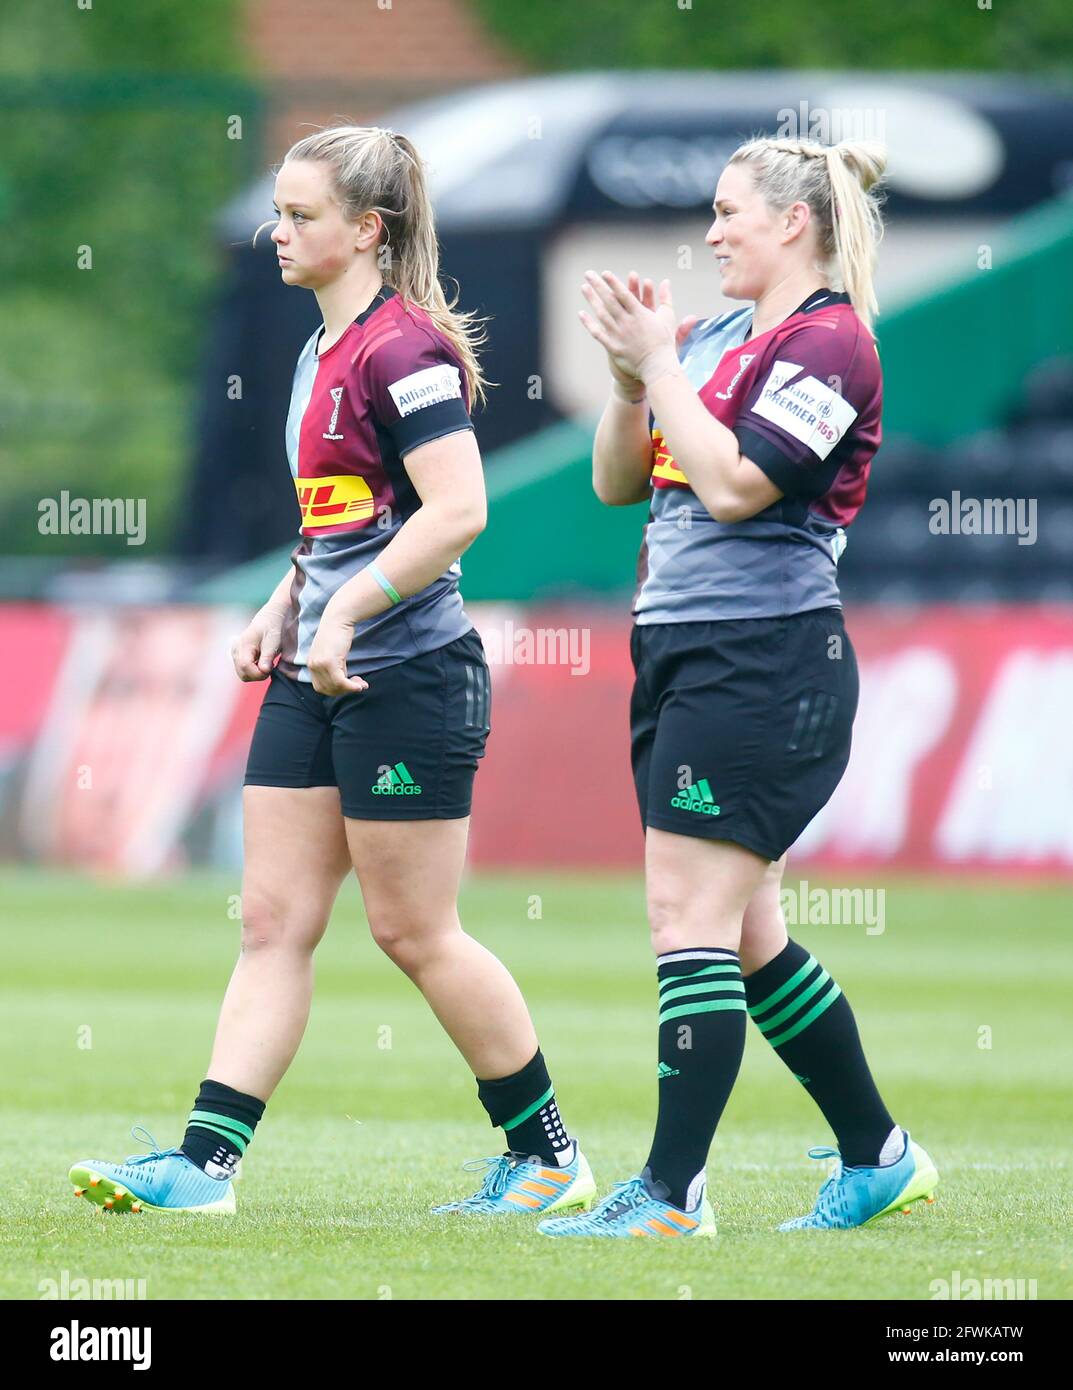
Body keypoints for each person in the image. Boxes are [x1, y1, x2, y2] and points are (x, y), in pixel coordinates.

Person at [68, 125, 594, 1221]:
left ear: (368, 229)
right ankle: (204, 1168)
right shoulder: (319, 345)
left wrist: (345, 608)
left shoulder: (402, 354)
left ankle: (548, 1154)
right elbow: (340, 522)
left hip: (405, 672)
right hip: (317, 665)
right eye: (277, 209)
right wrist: (282, 605)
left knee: (413, 931)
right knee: (271, 918)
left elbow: (458, 512)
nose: (277, 231)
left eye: (301, 214)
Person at [540, 136, 938, 1238]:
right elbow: (620, 480)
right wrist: (632, 376)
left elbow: (729, 487)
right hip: (682, 651)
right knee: (745, 931)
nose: (710, 232)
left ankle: (671, 1195)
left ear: (792, 223)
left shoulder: (831, 342)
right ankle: (878, 1155)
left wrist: (658, 366)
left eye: (726, 212)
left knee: (685, 918)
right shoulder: (715, 336)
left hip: (763, 658)